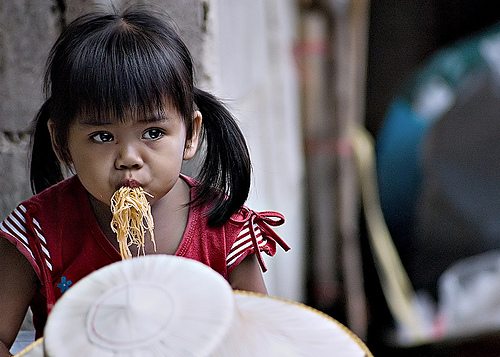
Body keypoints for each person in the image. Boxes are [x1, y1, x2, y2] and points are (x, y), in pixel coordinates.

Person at [0, 7, 289, 356]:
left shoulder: (224, 232)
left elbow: (261, 341)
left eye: (153, 132)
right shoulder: (38, 232)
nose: (129, 158)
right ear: (62, 143)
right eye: (103, 136)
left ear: (190, 135)